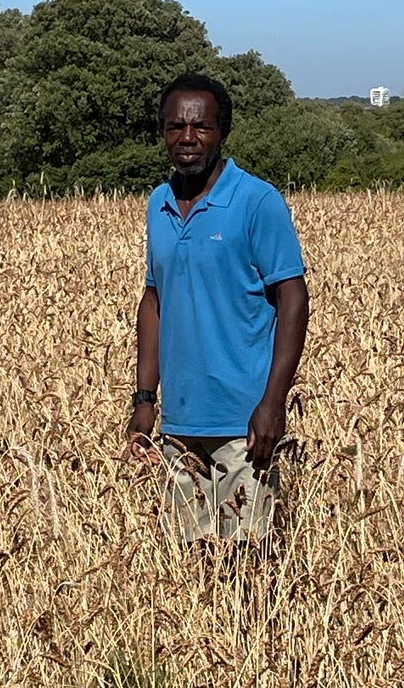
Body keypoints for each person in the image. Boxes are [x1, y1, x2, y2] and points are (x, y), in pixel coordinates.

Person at [128, 72, 309, 548]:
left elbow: (293, 298)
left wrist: (272, 404)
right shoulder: (158, 203)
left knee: (246, 564)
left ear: (222, 131)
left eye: (201, 127)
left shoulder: (257, 201)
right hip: (179, 425)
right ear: (163, 132)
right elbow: (154, 299)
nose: (187, 138)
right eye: (175, 127)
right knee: (187, 565)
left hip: (243, 424)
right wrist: (145, 402)